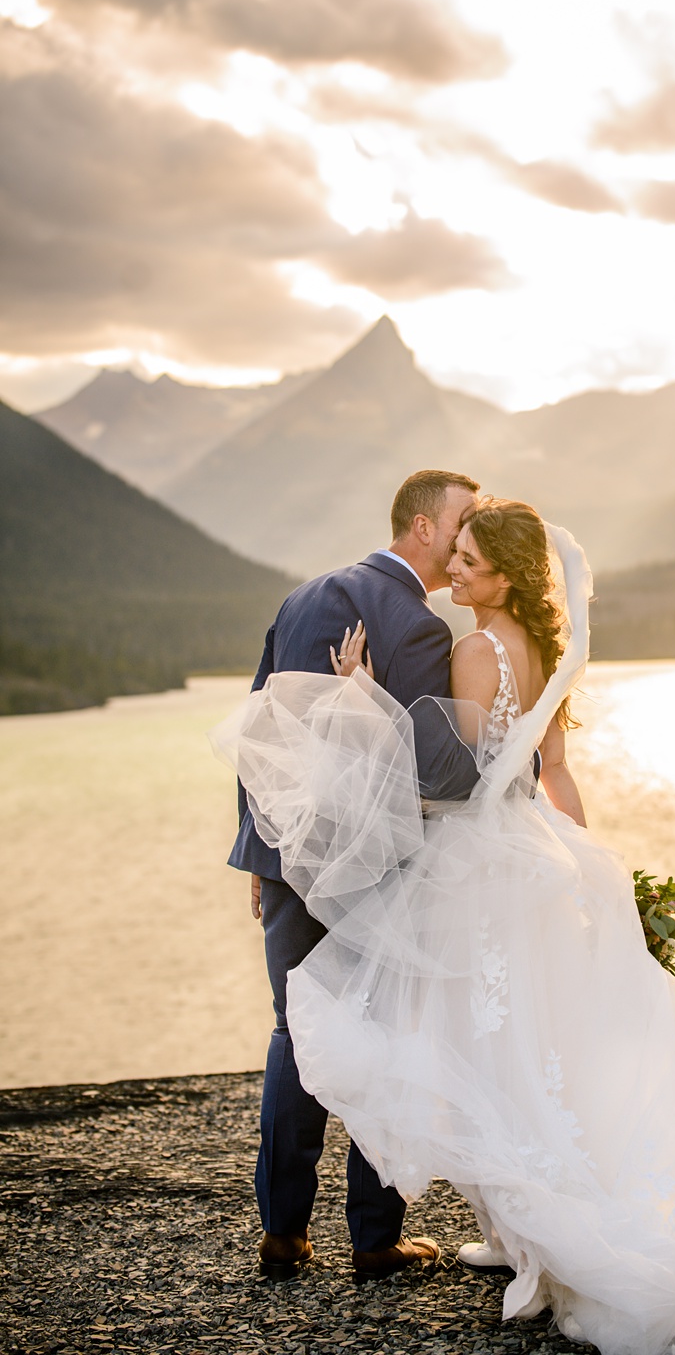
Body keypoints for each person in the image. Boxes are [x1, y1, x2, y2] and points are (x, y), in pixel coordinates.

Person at [214, 498, 675, 1352]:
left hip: (474, 858)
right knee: (528, 1043)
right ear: (424, 526)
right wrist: (591, 871)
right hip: (534, 852)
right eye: (458, 545)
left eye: (473, 557)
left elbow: (449, 776)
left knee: (435, 1035)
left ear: (506, 574)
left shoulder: (468, 646)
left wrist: (361, 700)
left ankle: (465, 1231)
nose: (458, 567)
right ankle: (470, 1233)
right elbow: (553, 770)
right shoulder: (543, 651)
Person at [224, 469, 481, 1280]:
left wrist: (257, 848)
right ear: (422, 528)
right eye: (464, 520)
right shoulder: (418, 625)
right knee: (381, 1035)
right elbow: (437, 769)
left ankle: (282, 1230)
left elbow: (258, 724)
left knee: (293, 1031)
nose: (472, 535)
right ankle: (374, 1240)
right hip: (369, 868)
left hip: (288, 857)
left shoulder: (302, 599)